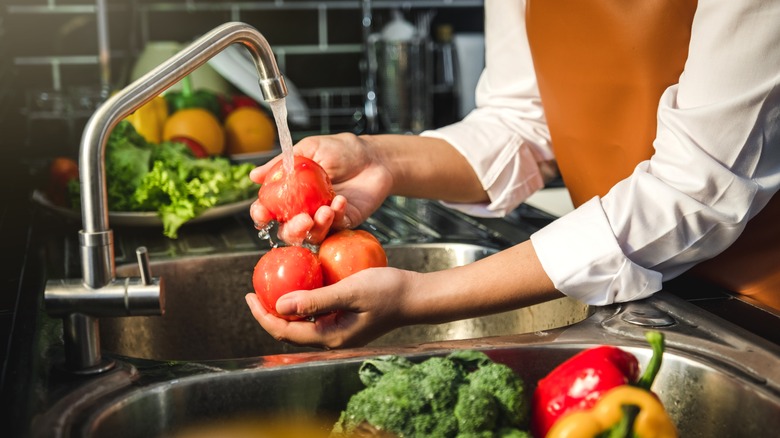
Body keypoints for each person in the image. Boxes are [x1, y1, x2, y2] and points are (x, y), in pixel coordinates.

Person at [245, 0, 780, 349]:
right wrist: (380, 159)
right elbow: (521, 123)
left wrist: (418, 298)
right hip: (632, 301)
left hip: (756, 315)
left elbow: (693, 187)